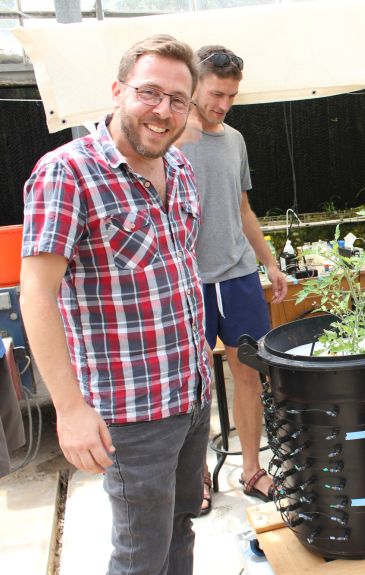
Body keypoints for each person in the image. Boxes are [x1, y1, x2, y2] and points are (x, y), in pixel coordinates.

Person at [19, 35, 210, 574]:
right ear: (118, 90)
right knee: (139, 552)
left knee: (179, 527)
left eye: (178, 99)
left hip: (191, 396)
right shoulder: (68, 173)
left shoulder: (181, 170)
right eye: (150, 92)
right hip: (131, 412)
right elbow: (37, 294)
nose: (163, 110)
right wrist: (71, 410)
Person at [179, 45, 288, 514]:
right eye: (216, 93)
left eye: (231, 96)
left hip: (239, 275)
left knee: (249, 374)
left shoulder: (235, 140)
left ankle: (251, 470)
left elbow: (243, 208)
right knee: (195, 383)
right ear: (194, 84)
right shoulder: (172, 138)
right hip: (191, 280)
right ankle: (198, 476)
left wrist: (269, 261)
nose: (223, 103)